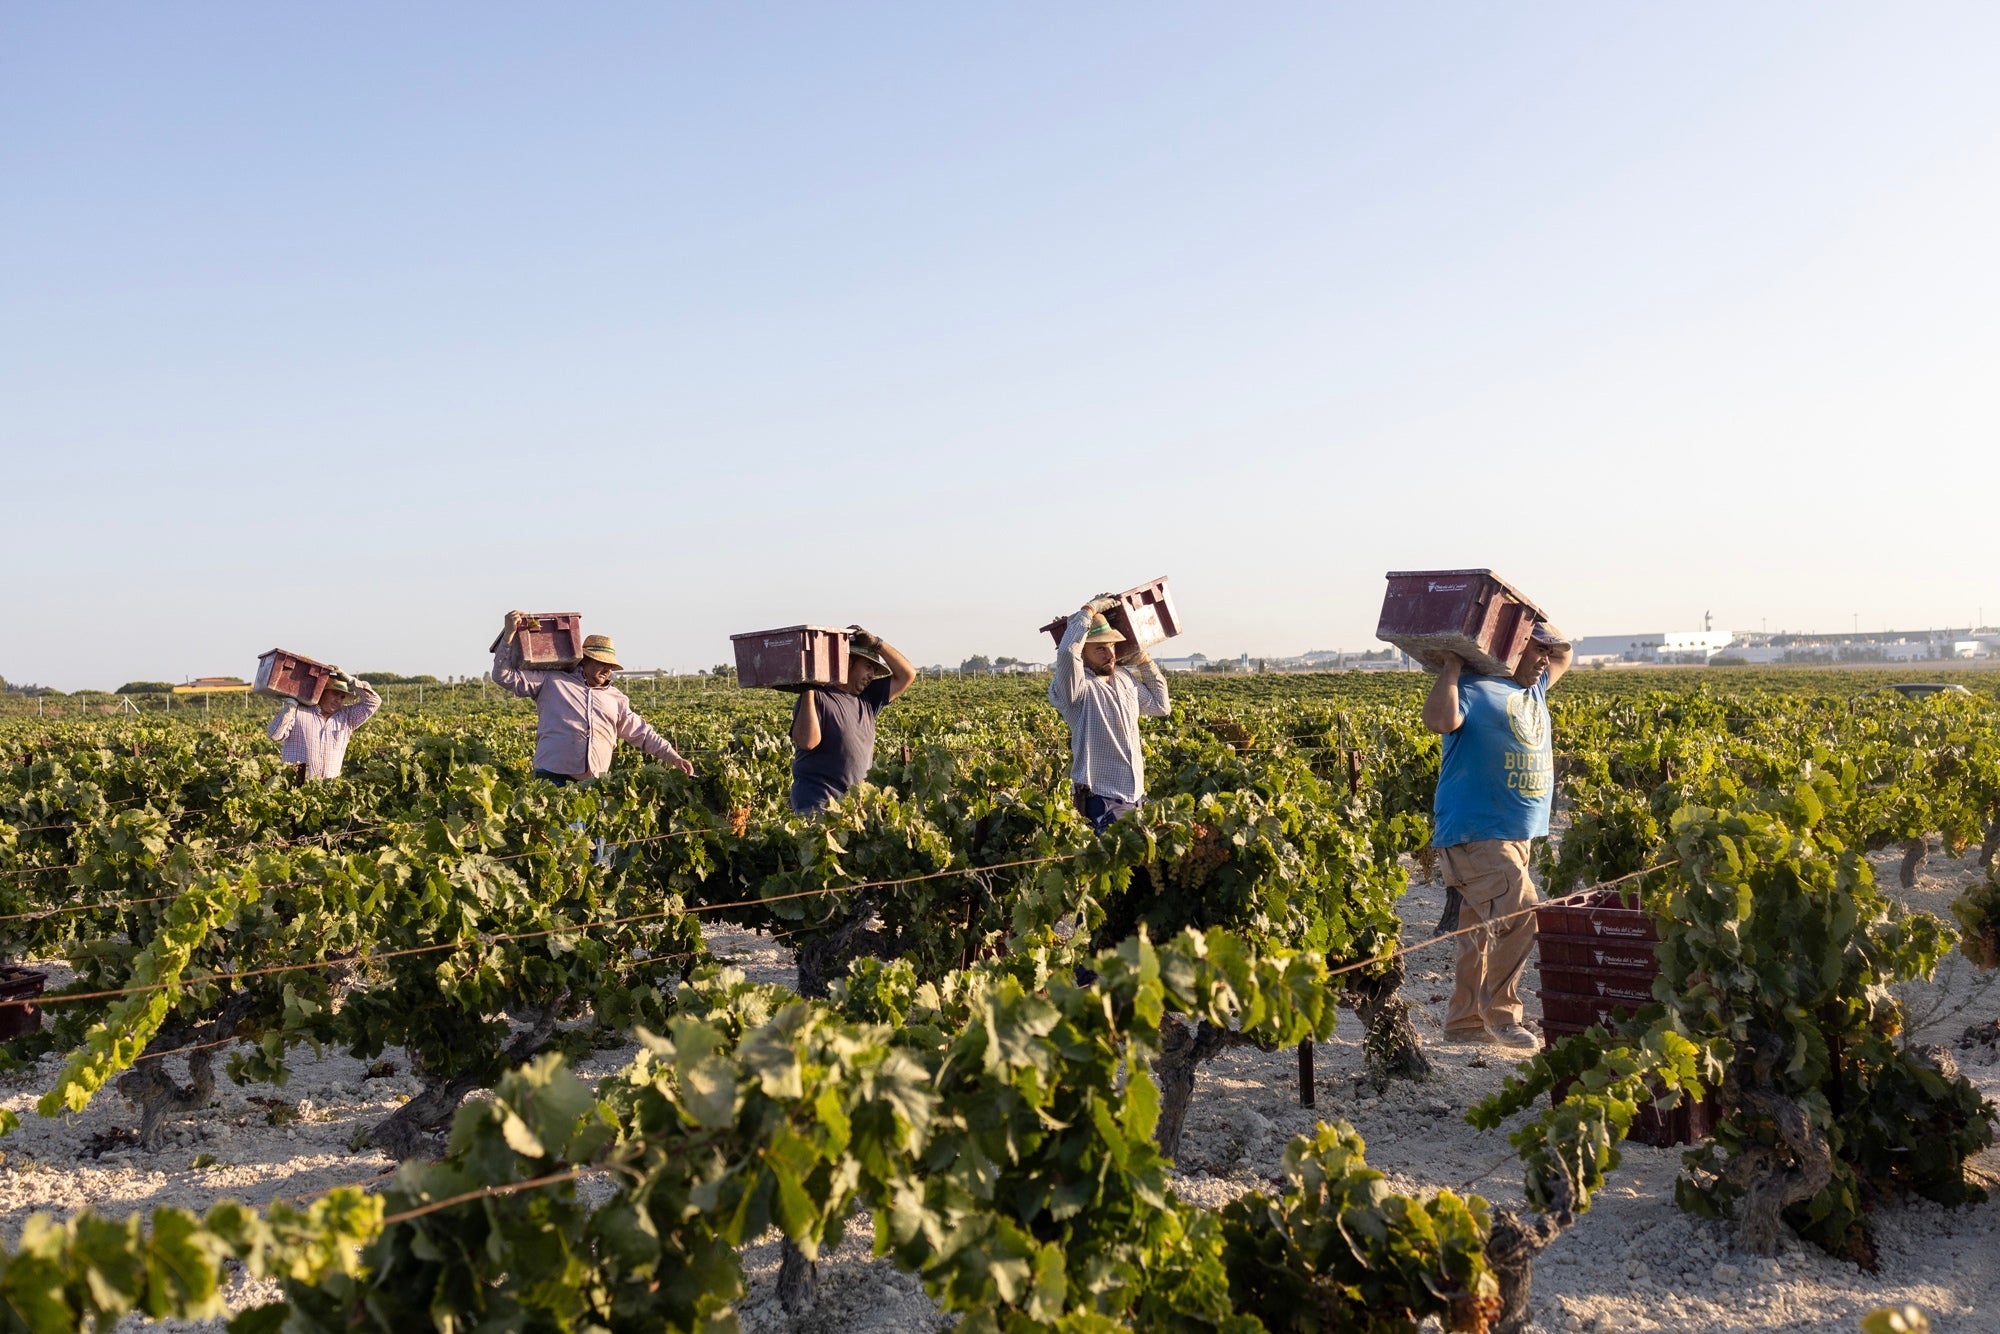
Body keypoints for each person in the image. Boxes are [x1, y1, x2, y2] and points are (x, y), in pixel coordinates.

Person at [1421, 621, 1573, 1048]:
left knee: (1478, 929)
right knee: (1523, 911)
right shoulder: (1472, 686)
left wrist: (1533, 620)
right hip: (1475, 832)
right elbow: (1438, 720)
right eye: (1535, 650)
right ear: (1511, 650)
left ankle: (1464, 1021)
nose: (1545, 659)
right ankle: (1503, 1013)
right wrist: (1451, 666)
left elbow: (1565, 653)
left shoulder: (1534, 687)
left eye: (1545, 652)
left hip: (1514, 834)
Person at [493, 613, 695, 784]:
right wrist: (509, 635)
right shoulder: (552, 681)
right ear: (585, 659)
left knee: (591, 831)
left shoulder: (615, 699)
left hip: (594, 782)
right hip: (552, 778)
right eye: (601, 663)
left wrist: (674, 758)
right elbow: (504, 676)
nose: (607, 670)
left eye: (611, 666)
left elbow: (643, 734)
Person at [1049, 597, 1171, 832]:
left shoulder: (1124, 678)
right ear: (1083, 654)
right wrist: (1088, 610)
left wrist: (1144, 660)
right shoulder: (1075, 688)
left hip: (1136, 796)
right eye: (1100, 649)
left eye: (1112, 646)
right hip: (1101, 800)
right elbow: (1066, 651)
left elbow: (1160, 706)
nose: (1109, 654)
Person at [789, 626, 916, 814]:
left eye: (874, 669)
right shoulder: (818, 697)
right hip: (817, 807)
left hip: (854, 808)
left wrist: (877, 644)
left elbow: (907, 675)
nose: (872, 675)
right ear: (847, 663)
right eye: (868, 666)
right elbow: (807, 742)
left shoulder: (869, 699)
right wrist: (807, 689)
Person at [268, 670, 380, 781]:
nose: (338, 700)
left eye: (342, 697)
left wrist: (351, 681)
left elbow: (373, 702)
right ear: (321, 692)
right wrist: (290, 707)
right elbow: (275, 735)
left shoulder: (347, 717)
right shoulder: (299, 712)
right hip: (297, 787)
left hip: (328, 788)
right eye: (335, 693)